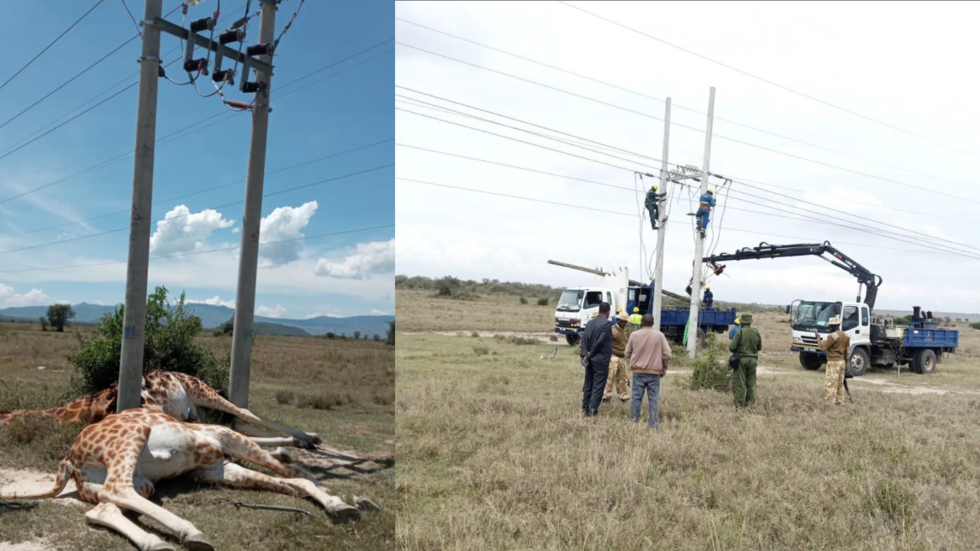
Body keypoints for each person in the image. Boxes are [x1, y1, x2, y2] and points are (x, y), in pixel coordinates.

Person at [625, 314, 672, 428]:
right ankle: (654, 423)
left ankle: (633, 421)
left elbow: (627, 353)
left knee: (636, 397)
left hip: (638, 372)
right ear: (653, 323)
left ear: (641, 322)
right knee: (653, 399)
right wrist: (663, 368)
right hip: (654, 373)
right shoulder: (659, 335)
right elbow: (668, 354)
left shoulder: (634, 335)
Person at [580, 302, 613, 417]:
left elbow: (583, 340)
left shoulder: (589, 323)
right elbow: (600, 341)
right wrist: (590, 354)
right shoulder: (607, 324)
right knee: (598, 385)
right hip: (600, 360)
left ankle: (585, 409)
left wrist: (585, 354)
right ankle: (593, 410)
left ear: (599, 311)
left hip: (588, 360)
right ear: (608, 313)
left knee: (588, 384)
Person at [728, 313, 762, 409]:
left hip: (741, 360)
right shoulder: (756, 332)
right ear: (750, 322)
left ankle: (739, 406)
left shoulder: (740, 332)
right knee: (751, 383)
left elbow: (731, 347)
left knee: (740, 383)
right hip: (753, 360)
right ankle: (750, 404)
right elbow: (759, 347)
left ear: (742, 322)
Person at [817, 316, 850, 406]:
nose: (829, 327)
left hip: (833, 362)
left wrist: (818, 339)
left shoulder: (832, 336)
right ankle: (840, 402)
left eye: (831, 325)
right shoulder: (846, 335)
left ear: (834, 326)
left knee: (830, 383)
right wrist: (846, 363)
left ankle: (829, 403)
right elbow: (847, 351)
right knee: (840, 383)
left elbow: (823, 347)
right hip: (842, 362)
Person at [603, 312, 631, 403]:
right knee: (609, 378)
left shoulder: (624, 331)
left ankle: (624, 397)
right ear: (618, 320)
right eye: (622, 321)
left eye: (625, 321)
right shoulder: (612, 330)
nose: (624, 323)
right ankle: (606, 397)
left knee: (623, 378)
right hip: (613, 357)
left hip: (622, 357)